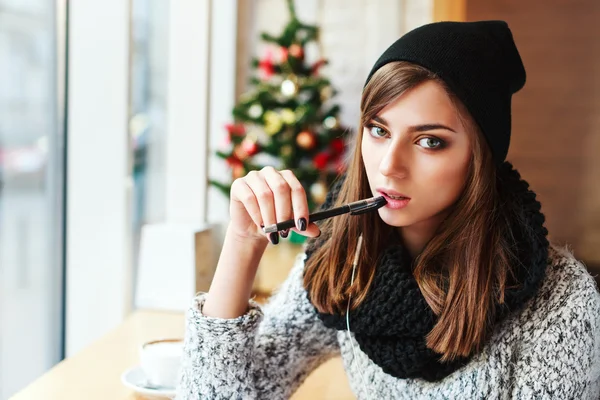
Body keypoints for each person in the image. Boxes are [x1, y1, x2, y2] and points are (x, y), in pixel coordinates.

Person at [175, 20, 600, 399]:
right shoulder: (345, 261)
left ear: (481, 158)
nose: (389, 166)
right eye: (378, 130)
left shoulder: (561, 303)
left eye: (429, 140)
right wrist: (240, 244)